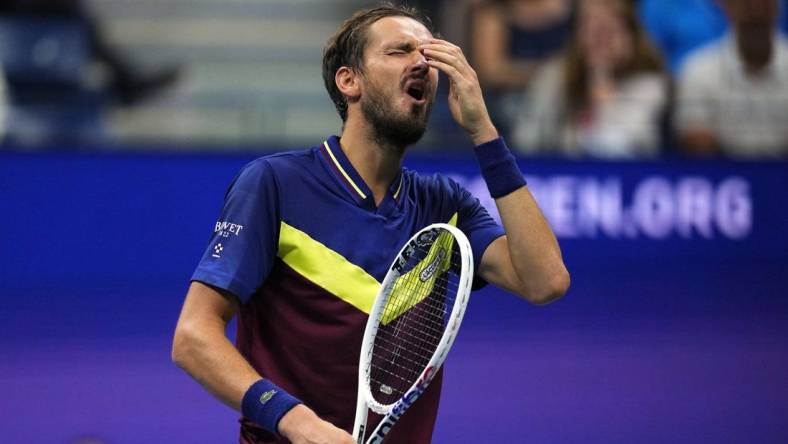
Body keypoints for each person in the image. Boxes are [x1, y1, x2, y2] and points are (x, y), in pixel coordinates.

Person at [172, 4, 569, 444]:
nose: (422, 62)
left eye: (428, 55)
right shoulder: (275, 184)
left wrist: (484, 133)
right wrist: (297, 422)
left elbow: (545, 281)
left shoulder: (443, 204)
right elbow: (193, 338)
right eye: (399, 51)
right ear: (349, 81)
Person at [511, 0, 667, 158]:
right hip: (557, 175)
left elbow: (612, 148)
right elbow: (525, 140)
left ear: (631, 37)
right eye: (591, 27)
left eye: (611, 29)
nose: (601, 38)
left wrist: (600, 82)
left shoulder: (650, 86)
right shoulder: (554, 76)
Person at [675, 0, 788, 158]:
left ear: (778, 8)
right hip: (723, 172)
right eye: (746, 5)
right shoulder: (699, 68)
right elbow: (695, 138)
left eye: (764, 3)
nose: (756, 11)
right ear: (728, 9)